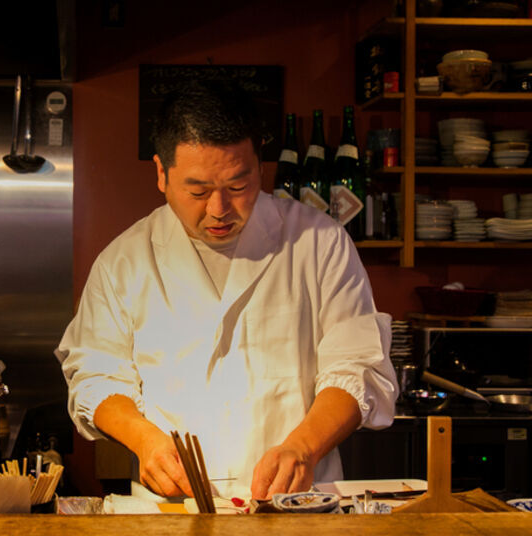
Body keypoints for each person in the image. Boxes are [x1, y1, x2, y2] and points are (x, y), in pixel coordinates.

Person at [55, 81, 398, 502]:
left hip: (295, 503)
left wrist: (303, 447)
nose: (219, 209)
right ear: (161, 173)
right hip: (172, 509)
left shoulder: (318, 241)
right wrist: (144, 441)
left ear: (260, 167)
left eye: (238, 186)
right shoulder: (124, 261)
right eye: (198, 191)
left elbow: (359, 365)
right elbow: (94, 374)